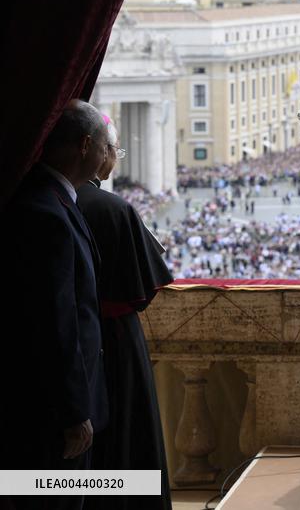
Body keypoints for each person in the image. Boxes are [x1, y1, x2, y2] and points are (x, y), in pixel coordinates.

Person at [0, 100, 110, 510]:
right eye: (105, 145)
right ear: (84, 145)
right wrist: (74, 411)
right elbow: (55, 324)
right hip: (53, 415)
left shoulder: (53, 200)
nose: (108, 155)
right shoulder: (45, 212)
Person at [76, 117, 173, 510]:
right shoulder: (114, 209)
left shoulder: (41, 200)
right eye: (114, 150)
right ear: (96, 151)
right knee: (125, 440)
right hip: (116, 343)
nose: (115, 158)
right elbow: (144, 289)